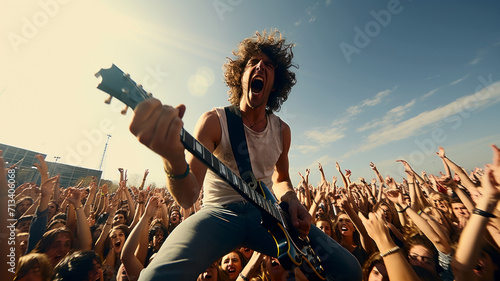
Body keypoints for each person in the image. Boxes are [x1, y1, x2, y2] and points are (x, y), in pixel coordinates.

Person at [130, 29, 361, 280]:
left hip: (271, 216)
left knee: (348, 269)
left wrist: (292, 199)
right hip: (219, 213)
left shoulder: (282, 130)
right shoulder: (213, 121)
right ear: (241, 76)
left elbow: (281, 178)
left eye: (269, 65)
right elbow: (187, 197)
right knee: (154, 277)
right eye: (253, 62)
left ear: (275, 83)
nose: (260, 66)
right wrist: (172, 159)